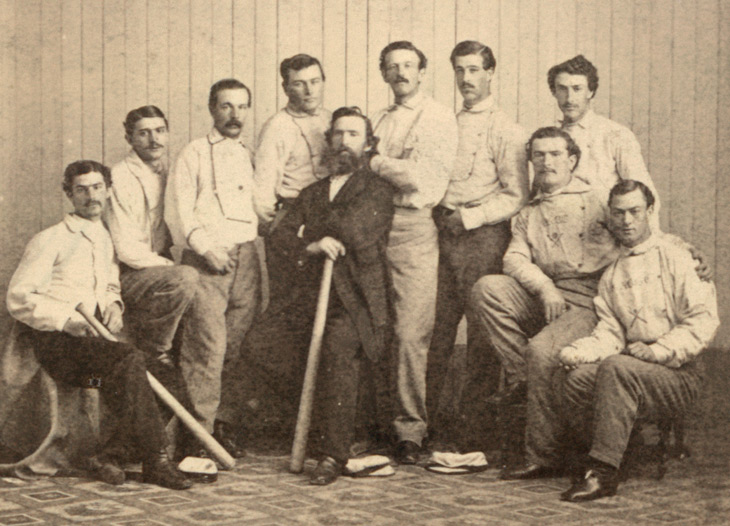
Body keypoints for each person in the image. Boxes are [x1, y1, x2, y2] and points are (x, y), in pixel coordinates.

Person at [6, 160, 191, 490]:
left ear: (108, 191)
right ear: (69, 194)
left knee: (167, 377)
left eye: (96, 188)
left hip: (94, 349)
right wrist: (65, 321)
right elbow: (19, 297)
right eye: (81, 189)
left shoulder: (104, 237)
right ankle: (156, 462)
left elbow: (109, 283)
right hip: (57, 346)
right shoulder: (49, 239)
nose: (91, 196)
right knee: (128, 359)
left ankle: (111, 455)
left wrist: (114, 304)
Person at [253, 107, 394, 486]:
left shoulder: (377, 189)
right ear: (328, 140)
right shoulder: (312, 192)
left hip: (355, 300)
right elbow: (279, 237)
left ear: (367, 144)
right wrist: (312, 244)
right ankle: (304, 429)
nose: (344, 141)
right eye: (338, 134)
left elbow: (353, 229)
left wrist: (314, 229)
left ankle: (334, 453)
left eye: (353, 134)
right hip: (310, 294)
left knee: (336, 349)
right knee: (261, 343)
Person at [470, 127, 620, 479]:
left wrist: (687, 256)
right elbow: (514, 259)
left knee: (541, 351)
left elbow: (639, 232)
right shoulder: (528, 212)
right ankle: (523, 377)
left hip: (590, 299)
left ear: (572, 160)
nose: (546, 162)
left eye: (555, 155)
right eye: (539, 155)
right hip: (549, 292)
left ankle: (542, 454)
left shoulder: (599, 199)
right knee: (487, 289)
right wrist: (544, 288)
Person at [557, 180, 718, 501]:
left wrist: (657, 350)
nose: (626, 221)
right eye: (618, 213)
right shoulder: (613, 273)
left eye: (634, 212)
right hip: (635, 369)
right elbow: (610, 333)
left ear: (649, 212)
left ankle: (603, 473)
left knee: (617, 368)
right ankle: (623, 449)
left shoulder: (677, 256)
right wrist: (578, 351)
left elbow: (703, 321)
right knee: (577, 377)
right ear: (610, 216)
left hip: (679, 373)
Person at [427, 41, 529, 448]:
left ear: (490, 73)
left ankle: (476, 432)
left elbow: (516, 195)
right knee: (434, 330)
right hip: (441, 234)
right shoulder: (446, 123)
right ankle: (426, 427)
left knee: (482, 339)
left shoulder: (507, 129)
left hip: (484, 237)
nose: (466, 79)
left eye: (474, 70)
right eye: (460, 70)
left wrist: (468, 218)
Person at [368, 41, 458, 463]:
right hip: (372, 227)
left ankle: (410, 432)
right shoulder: (380, 119)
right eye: (392, 66)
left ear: (422, 72)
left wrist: (376, 162)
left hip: (413, 228)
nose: (401, 72)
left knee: (409, 332)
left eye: (409, 65)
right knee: (371, 325)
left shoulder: (438, 117)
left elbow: (423, 182)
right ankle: (375, 425)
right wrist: (389, 164)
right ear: (384, 74)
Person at [164, 79, 261, 457]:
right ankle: (196, 438)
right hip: (208, 260)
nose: (235, 115)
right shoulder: (193, 154)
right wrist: (207, 249)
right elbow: (179, 214)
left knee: (237, 346)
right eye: (226, 106)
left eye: (241, 107)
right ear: (211, 109)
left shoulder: (249, 155)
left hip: (247, 258)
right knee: (206, 348)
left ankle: (223, 427)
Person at [104, 106, 201, 419]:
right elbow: (126, 249)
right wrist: (172, 269)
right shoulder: (120, 176)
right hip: (127, 272)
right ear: (129, 137)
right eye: (143, 132)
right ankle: (154, 353)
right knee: (185, 278)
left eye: (159, 130)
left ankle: (195, 431)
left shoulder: (172, 169)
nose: (153, 139)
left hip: (159, 264)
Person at [254, 54, 332, 302]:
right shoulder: (277, 127)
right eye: (299, 83)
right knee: (290, 302)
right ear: (285, 87)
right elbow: (262, 191)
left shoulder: (330, 119)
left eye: (315, 81)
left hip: (328, 219)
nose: (309, 91)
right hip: (292, 219)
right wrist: (280, 233)